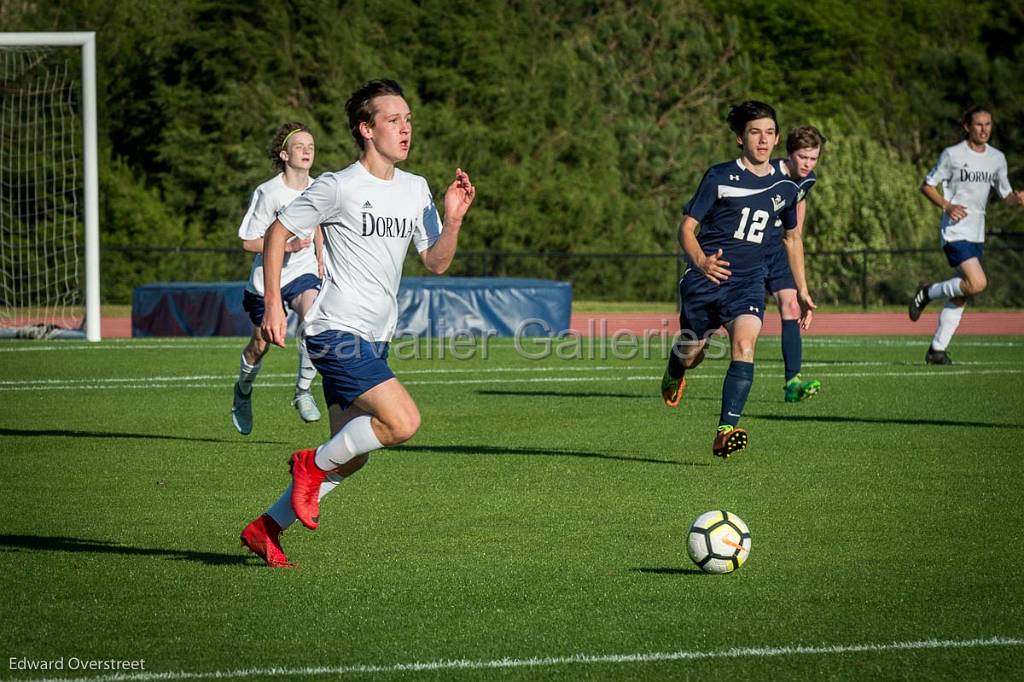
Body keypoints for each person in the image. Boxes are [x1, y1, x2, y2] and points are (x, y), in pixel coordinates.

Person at [240, 79, 476, 568]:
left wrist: (452, 220)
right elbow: (277, 233)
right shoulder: (338, 185)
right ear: (366, 129)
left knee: (353, 455)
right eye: (393, 120)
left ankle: (265, 529)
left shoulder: (415, 189)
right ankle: (309, 463)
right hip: (334, 331)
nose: (405, 128)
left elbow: (435, 261)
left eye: (409, 119)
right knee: (403, 421)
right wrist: (272, 306)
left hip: (375, 338)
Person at [660, 101, 813, 458]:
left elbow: (793, 238)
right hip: (705, 280)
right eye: (755, 132)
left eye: (770, 132)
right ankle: (674, 367)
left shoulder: (787, 187)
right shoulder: (719, 177)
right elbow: (687, 227)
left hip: (747, 282)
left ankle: (725, 429)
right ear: (740, 138)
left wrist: (802, 289)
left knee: (745, 346)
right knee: (692, 352)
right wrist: (700, 261)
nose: (763, 140)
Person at [909, 106, 1024, 364]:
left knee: (963, 291)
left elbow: (1005, 196)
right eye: (979, 124)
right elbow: (926, 185)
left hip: (976, 232)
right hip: (954, 231)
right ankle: (927, 292)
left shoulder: (997, 158)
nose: (984, 129)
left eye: (988, 124)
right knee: (978, 282)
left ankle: (937, 350)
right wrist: (947, 206)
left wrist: (1016, 199)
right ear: (966, 127)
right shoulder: (952, 155)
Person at [231, 122, 324, 435]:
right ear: (285, 154)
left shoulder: (320, 186)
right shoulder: (269, 192)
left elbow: (320, 226)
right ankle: (243, 391)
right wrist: (287, 245)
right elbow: (248, 240)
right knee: (261, 344)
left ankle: (302, 391)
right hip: (266, 280)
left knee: (314, 318)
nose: (307, 150)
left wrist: (322, 259)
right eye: (300, 146)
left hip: (303, 273)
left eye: (311, 146)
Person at [767, 125, 825, 402]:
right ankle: (683, 358)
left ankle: (793, 382)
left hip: (778, 252)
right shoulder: (768, 174)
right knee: (722, 319)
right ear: (790, 153)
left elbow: (796, 223)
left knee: (790, 305)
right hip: (747, 251)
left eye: (813, 158)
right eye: (803, 157)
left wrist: (803, 290)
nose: (808, 164)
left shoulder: (807, 179)